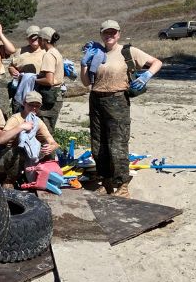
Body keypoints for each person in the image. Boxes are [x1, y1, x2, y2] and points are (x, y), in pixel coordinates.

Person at [80, 19, 163, 198]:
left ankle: (122, 186)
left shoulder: (128, 51)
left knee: (117, 144)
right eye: (106, 32)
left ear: (119, 34)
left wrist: (147, 75)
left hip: (117, 100)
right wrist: (84, 64)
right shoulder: (96, 53)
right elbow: (86, 82)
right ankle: (106, 182)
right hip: (96, 99)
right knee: (98, 144)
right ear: (101, 34)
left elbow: (157, 62)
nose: (109, 35)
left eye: (113, 32)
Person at [0, 91, 58, 189]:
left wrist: (51, 146)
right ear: (24, 103)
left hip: (21, 158)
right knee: (19, 152)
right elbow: (1, 140)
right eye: (31, 105)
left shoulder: (37, 122)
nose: (33, 108)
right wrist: (21, 127)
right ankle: (9, 180)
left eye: (37, 106)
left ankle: (40, 177)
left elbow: (52, 141)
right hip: (1, 157)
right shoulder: (15, 119)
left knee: (50, 152)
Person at [35, 26, 64, 134]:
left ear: (44, 40)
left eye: (39, 39)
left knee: (44, 132)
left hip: (49, 95)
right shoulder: (56, 52)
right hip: (57, 95)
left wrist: (34, 79)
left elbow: (49, 80)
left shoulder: (49, 55)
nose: (38, 41)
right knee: (49, 130)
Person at [8, 25, 44, 113]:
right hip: (21, 89)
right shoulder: (20, 51)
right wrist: (13, 71)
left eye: (36, 37)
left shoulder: (45, 52)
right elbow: (11, 66)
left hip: (39, 90)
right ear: (27, 38)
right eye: (31, 37)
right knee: (18, 115)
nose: (34, 39)